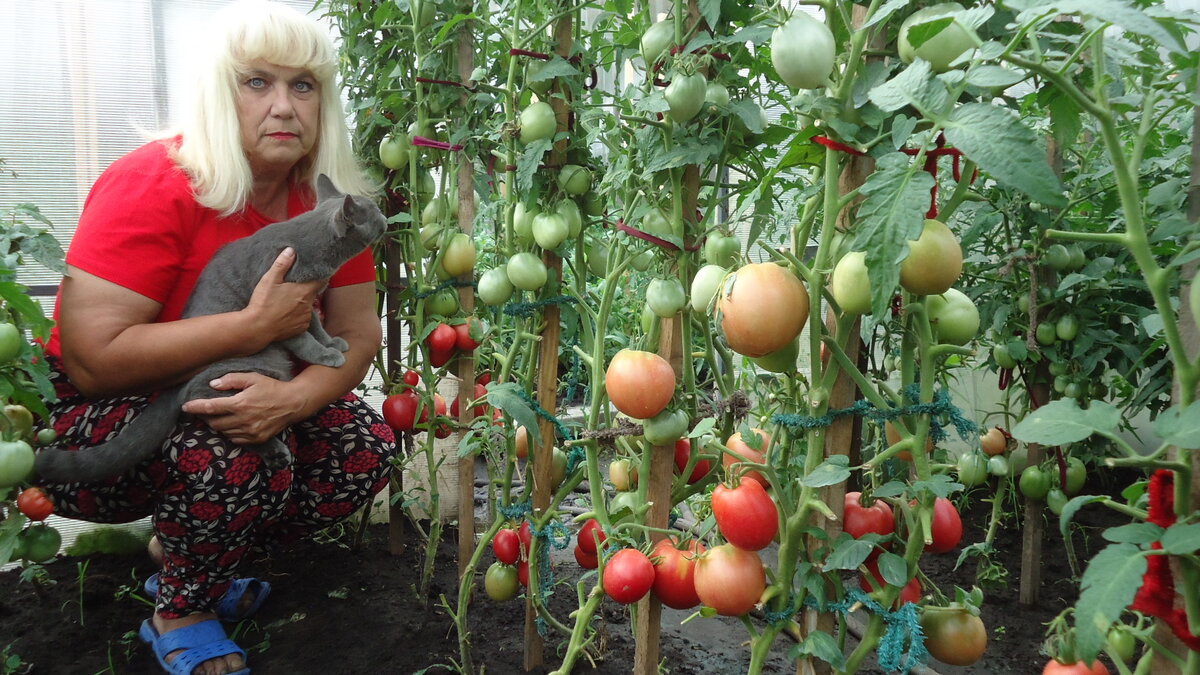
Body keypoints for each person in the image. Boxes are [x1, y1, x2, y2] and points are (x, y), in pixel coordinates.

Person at [37, 2, 397, 674]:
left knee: (362, 449)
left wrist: (290, 403)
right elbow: (91, 362)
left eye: (304, 85)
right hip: (98, 421)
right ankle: (182, 607)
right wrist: (253, 327)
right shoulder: (153, 184)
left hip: (237, 387)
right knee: (227, 446)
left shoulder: (328, 209)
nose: (284, 106)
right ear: (217, 94)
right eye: (256, 82)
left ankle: (185, 551)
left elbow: (356, 334)